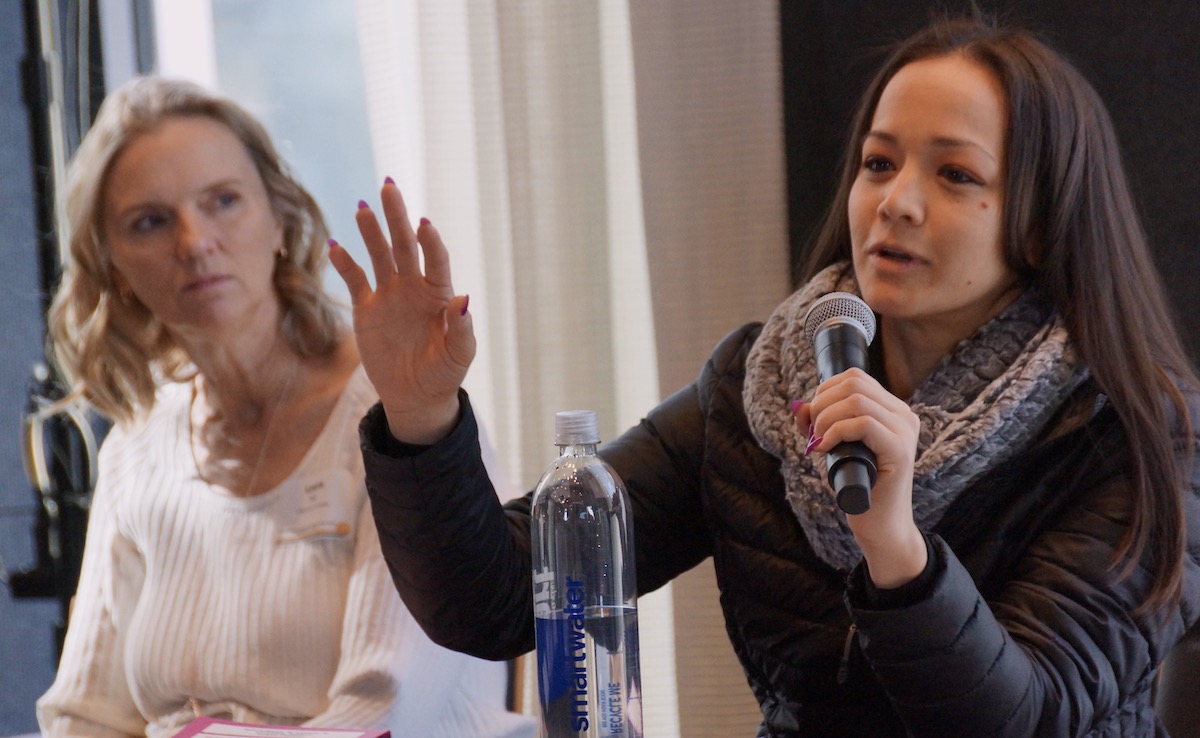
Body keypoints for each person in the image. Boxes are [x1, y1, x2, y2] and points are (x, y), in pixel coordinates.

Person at [328, 15, 1200, 738]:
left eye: (956, 174)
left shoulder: (1141, 431)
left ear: (1043, 225)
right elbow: (500, 602)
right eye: (878, 162)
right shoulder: (759, 387)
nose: (895, 201)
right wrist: (423, 418)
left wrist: (896, 547)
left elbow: (1027, 722)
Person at [35, 77, 535, 738]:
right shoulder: (136, 448)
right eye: (150, 221)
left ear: (279, 218)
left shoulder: (398, 422)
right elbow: (83, 717)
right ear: (111, 264)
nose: (194, 241)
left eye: (223, 201)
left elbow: (379, 718)